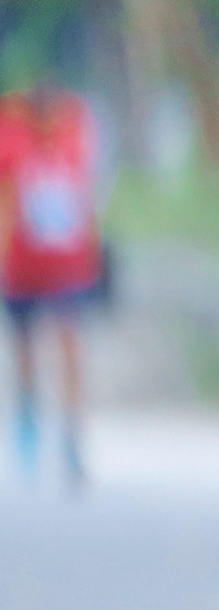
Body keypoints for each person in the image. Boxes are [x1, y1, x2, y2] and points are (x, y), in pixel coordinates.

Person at [2, 86, 107, 489]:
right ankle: (28, 415)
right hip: (23, 267)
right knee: (25, 347)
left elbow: (88, 199)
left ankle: (71, 429)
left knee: (70, 344)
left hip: (67, 266)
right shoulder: (13, 142)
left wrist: (94, 255)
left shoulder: (74, 139)